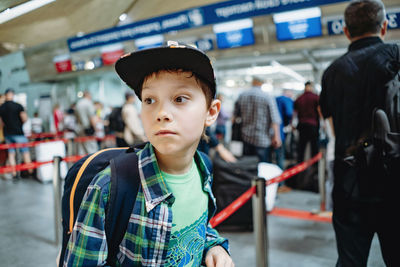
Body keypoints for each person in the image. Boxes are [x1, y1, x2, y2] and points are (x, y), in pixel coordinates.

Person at [63, 41, 234, 266]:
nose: (161, 113)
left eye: (180, 99)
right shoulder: (109, 187)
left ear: (211, 112)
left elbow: (197, 225)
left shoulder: (203, 168)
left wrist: (214, 246)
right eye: (149, 100)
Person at [319, 1, 399, 266]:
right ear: (385, 26)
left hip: (349, 181)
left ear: (346, 31)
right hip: (394, 180)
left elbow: (330, 125)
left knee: (350, 260)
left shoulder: (332, 73)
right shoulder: (396, 57)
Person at [234, 76, 281, 162]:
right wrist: (277, 137)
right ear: (261, 83)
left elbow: (235, 116)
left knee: (247, 166)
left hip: (246, 138)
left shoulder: (242, 95)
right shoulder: (267, 97)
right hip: (262, 140)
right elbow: (275, 119)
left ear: (253, 82)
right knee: (262, 168)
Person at [0, 88, 33, 179]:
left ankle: (14, 173)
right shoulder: (18, 106)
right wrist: (19, 124)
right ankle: (30, 172)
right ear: (13, 95)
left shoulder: (1, 108)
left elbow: (1, 122)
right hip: (19, 133)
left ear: (6, 95)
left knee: (11, 154)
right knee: (25, 153)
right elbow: (25, 118)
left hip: (8, 134)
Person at [294, 81, 320, 163]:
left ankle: (299, 165)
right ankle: (314, 167)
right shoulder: (316, 97)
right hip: (313, 125)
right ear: (311, 87)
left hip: (302, 125)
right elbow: (319, 110)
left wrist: (293, 124)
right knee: (314, 147)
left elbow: (294, 112)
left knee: (301, 147)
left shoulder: (299, 98)